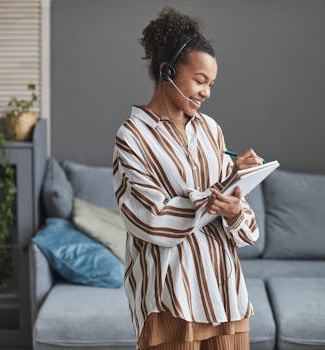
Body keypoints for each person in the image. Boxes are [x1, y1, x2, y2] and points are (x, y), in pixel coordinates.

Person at [112, 7, 263, 350]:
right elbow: (150, 217)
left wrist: (235, 206)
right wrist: (212, 197)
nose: (206, 92)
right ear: (166, 71)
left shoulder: (211, 131)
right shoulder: (132, 136)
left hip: (225, 295)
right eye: (199, 80)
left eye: (211, 84)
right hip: (170, 298)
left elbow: (246, 228)